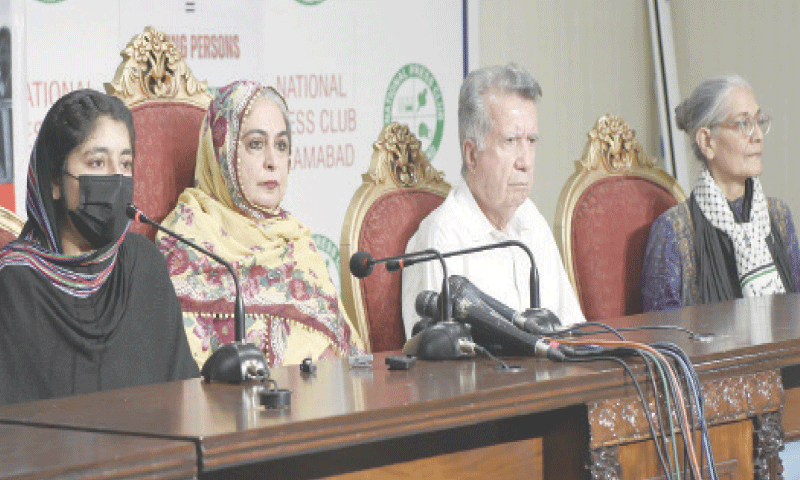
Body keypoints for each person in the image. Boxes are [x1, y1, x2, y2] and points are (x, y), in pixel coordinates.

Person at [0, 89, 199, 405]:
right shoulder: (13, 285)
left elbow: (183, 396)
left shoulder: (143, 265)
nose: (116, 179)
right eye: (97, 162)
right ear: (54, 180)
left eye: (125, 162)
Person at [158, 80, 364, 368]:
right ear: (222, 152)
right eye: (256, 144)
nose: (272, 161)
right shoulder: (186, 237)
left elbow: (348, 362)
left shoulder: (297, 243)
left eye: (281, 146)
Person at [401, 63, 585, 339]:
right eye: (510, 141)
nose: (525, 161)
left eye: (532, 141)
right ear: (472, 154)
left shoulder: (530, 218)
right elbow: (437, 370)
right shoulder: (442, 238)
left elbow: (572, 329)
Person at [641, 75, 800, 311]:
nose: (757, 136)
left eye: (758, 121)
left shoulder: (778, 217)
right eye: (743, 124)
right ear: (707, 141)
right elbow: (664, 342)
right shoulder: (674, 231)